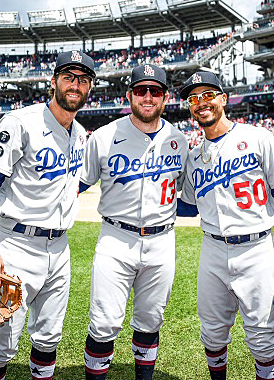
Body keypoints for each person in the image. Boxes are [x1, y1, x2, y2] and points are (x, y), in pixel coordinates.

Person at [176, 72, 274, 380]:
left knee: (263, 337)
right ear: (190, 108)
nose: (202, 103)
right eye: (194, 99)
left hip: (256, 249)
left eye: (208, 95)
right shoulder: (194, 156)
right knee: (212, 334)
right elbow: (187, 205)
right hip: (212, 250)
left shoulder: (257, 137)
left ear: (223, 99)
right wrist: (150, 194)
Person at [0, 50, 95, 380]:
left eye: (83, 79)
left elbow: (70, 185)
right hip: (16, 245)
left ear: (90, 89)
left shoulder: (80, 133)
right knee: (3, 343)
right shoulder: (20, 122)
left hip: (60, 247)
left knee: (49, 337)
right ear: (53, 82)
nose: (75, 85)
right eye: (68, 77)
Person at [80, 64, 189, 380]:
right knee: (104, 322)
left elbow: (192, 198)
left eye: (155, 91)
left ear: (164, 98)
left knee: (151, 320)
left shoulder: (178, 140)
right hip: (116, 238)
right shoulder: (103, 137)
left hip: (161, 241)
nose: (148, 97)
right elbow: (76, 184)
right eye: (141, 90)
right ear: (129, 95)